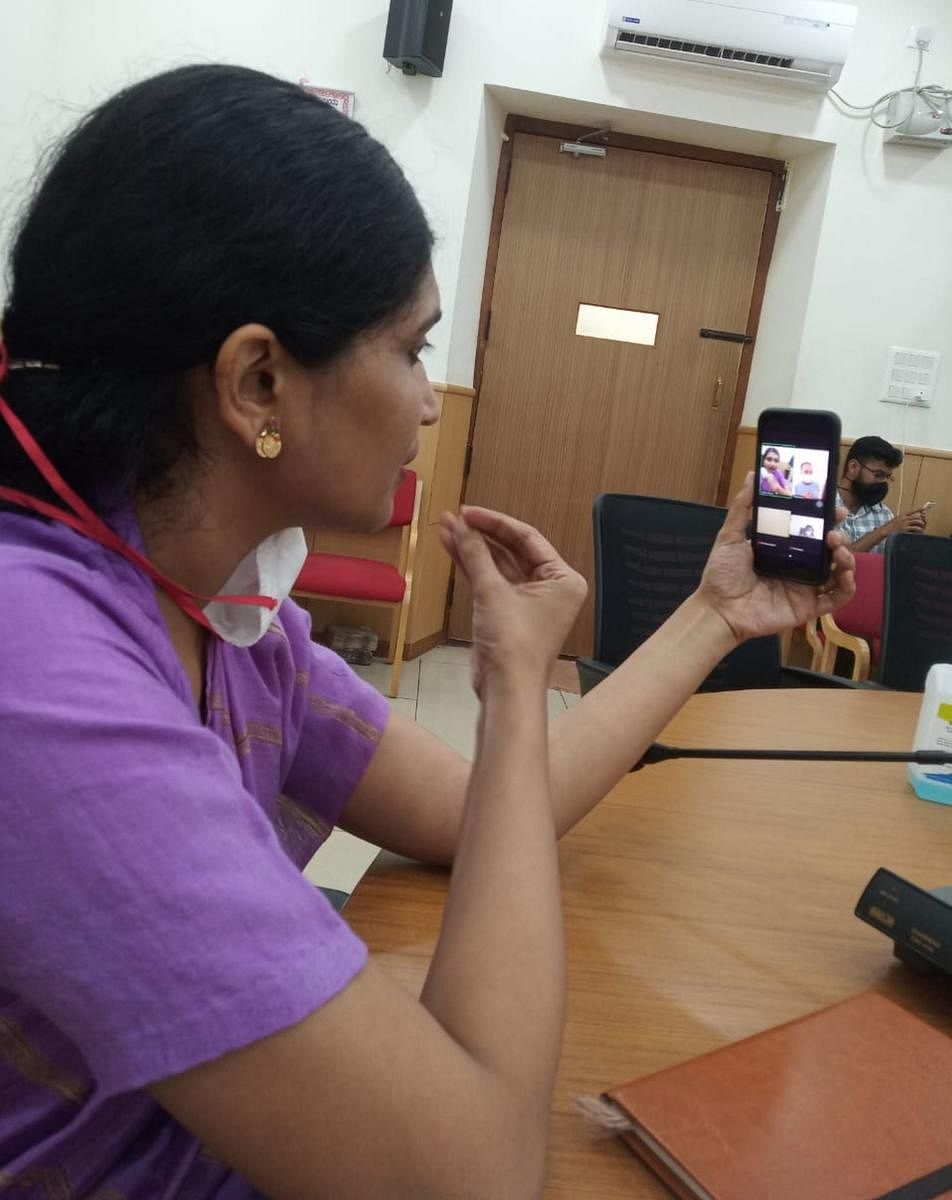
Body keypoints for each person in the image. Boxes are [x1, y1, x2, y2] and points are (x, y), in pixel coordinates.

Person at [0, 65, 855, 1200]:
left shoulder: (229, 611)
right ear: (259, 382)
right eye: (410, 348)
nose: (428, 399)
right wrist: (510, 695)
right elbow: (474, 1175)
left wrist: (712, 616)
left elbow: (473, 816)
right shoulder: (39, 665)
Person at [835, 435, 927, 554]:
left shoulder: (884, 514)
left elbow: (892, 561)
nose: (883, 482)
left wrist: (910, 538)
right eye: (878, 474)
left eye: (887, 477)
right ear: (853, 467)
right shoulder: (825, 507)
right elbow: (835, 561)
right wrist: (884, 531)